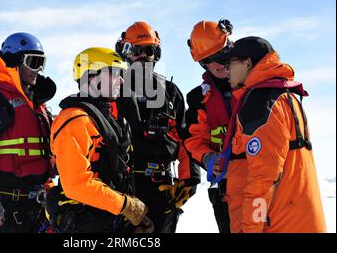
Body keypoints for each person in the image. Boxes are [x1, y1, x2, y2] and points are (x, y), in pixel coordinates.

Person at [219, 36, 326, 232]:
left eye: (230, 63)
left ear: (248, 63)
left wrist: (250, 228)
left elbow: (263, 178)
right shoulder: (284, 96)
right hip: (299, 220)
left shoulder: (260, 103)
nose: (226, 70)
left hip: (277, 224)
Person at [46, 47, 153, 233]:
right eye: (115, 73)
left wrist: (127, 216)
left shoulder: (107, 117)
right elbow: (76, 184)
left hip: (108, 216)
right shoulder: (75, 120)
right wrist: (126, 206)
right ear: (91, 77)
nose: (121, 80)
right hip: (85, 222)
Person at [0, 32, 57, 233]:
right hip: (9, 208)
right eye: (33, 62)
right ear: (15, 61)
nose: (38, 70)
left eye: (42, 63)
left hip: (40, 206)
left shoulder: (35, 103)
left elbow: (43, 152)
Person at [114, 21, 201, 233]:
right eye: (136, 50)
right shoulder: (113, 89)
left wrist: (190, 179)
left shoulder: (171, 92)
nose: (143, 55)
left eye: (149, 50)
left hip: (163, 188)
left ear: (157, 53)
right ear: (126, 52)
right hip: (123, 188)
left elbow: (185, 138)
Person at [183, 19, 235, 233]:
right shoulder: (199, 99)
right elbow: (194, 139)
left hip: (266, 180)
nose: (219, 63)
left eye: (222, 53)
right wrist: (207, 158)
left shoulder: (257, 87)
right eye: (210, 59)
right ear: (202, 63)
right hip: (227, 188)